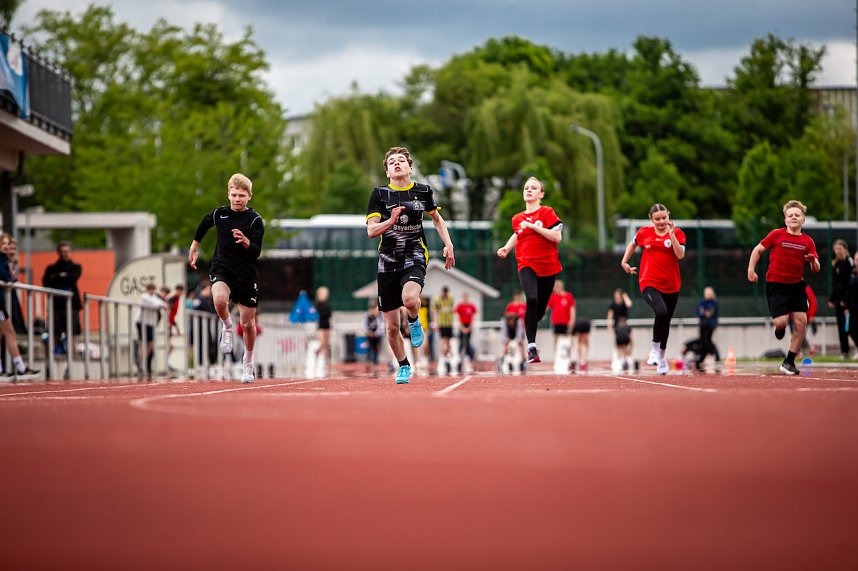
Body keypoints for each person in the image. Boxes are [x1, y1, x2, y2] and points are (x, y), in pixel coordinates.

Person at [365, 146, 455, 385]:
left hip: (414, 255)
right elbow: (371, 230)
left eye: (401, 161)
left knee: (411, 300)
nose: (397, 164)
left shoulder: (423, 191)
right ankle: (404, 365)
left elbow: (437, 219)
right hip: (388, 261)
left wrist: (448, 244)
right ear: (387, 171)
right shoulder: (379, 194)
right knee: (392, 327)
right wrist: (391, 220)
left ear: (410, 167)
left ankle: (414, 321)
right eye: (392, 162)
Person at [188, 173, 264, 384]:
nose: (237, 199)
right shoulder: (219, 214)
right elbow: (204, 222)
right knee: (219, 300)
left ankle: (248, 362)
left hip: (246, 275)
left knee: (249, 324)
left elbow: (257, 250)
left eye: (241, 195)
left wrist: (246, 241)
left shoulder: (255, 220)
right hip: (222, 268)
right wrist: (195, 245)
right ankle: (227, 327)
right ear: (228, 194)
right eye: (233, 194)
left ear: (249, 196)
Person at [747, 199, 821, 375]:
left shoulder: (808, 241)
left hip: (796, 286)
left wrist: (812, 261)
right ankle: (780, 328)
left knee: (801, 322)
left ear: (803, 219)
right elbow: (757, 250)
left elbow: (816, 267)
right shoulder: (776, 235)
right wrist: (751, 270)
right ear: (785, 220)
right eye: (790, 215)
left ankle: (788, 361)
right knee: (781, 322)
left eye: (797, 215)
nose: (794, 217)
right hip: (776, 285)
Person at [497, 177, 563, 364]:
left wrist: (533, 226)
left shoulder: (547, 212)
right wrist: (506, 248)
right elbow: (517, 234)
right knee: (531, 299)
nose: (529, 190)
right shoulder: (517, 218)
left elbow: (557, 237)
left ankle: (534, 320)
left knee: (539, 311)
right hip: (526, 263)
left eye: (534, 188)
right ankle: (532, 347)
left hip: (548, 267)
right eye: (526, 187)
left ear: (541, 194)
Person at [620, 203, 686, 375]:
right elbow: (632, 243)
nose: (661, 221)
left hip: (671, 285)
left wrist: (672, 237)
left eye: (664, 218)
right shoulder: (644, 233)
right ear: (651, 220)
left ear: (668, 216)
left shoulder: (677, 233)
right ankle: (654, 350)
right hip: (649, 282)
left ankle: (661, 357)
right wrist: (624, 262)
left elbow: (680, 255)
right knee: (661, 312)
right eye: (657, 219)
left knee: (666, 321)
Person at [0, 234, 38, 380]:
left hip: (2, 299)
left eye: (9, 244)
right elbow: (6, 277)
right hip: (0, 301)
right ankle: (20, 367)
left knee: (5, 333)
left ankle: (6, 368)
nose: (8, 247)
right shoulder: (1, 260)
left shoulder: (5, 260)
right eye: (4, 244)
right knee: (10, 333)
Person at [41, 241, 83, 354]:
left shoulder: (76, 267)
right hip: (55, 305)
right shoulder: (51, 268)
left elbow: (72, 278)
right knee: (54, 332)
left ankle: (73, 357)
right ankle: (53, 354)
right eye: (62, 252)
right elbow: (46, 282)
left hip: (71, 305)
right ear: (58, 252)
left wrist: (58, 277)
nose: (65, 254)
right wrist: (62, 276)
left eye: (67, 251)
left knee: (72, 333)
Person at [134, 282, 166, 379]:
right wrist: (162, 304)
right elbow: (156, 304)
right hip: (142, 322)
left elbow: (161, 303)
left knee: (150, 345)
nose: (152, 291)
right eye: (151, 289)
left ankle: (143, 363)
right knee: (144, 343)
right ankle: (140, 362)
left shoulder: (154, 297)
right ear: (148, 290)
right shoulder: (145, 297)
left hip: (150, 323)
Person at [828, 239, 854, 359]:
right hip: (839, 301)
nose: (838, 251)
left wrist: (846, 299)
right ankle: (845, 352)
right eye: (836, 249)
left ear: (845, 249)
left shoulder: (849, 263)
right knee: (841, 327)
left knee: (851, 326)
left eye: (840, 249)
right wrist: (832, 299)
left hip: (849, 300)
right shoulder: (836, 264)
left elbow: (849, 283)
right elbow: (836, 284)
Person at [694, 286, 720, 370]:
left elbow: (712, 312)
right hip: (703, 325)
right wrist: (704, 314)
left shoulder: (714, 303)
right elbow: (699, 311)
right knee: (703, 341)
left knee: (708, 340)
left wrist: (707, 314)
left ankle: (713, 354)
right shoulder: (702, 302)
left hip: (710, 325)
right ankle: (702, 358)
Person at [454, 292, 477, 368]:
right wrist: (462, 327)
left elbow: (473, 317)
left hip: (469, 326)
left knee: (467, 343)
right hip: (462, 326)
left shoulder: (471, 306)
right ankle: (460, 358)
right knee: (461, 343)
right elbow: (457, 317)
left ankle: (469, 358)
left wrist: (469, 327)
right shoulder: (460, 306)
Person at [433, 287, 455, 362]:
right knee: (444, 341)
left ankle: (446, 356)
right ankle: (443, 357)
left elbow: (453, 309)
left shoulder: (450, 299)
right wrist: (435, 323)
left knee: (448, 341)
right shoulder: (438, 299)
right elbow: (434, 311)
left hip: (449, 323)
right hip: (442, 323)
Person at [362, 300, 385, 370]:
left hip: (377, 336)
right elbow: (364, 325)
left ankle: (375, 362)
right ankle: (369, 362)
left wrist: (375, 333)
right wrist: (369, 332)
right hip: (370, 335)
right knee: (369, 349)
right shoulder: (367, 316)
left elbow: (380, 326)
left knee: (376, 349)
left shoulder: (379, 316)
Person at [314, 286, 332, 363]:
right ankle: (316, 353)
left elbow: (329, 314)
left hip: (327, 324)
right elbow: (318, 314)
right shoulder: (317, 305)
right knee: (322, 342)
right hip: (320, 325)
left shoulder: (328, 305)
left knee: (326, 343)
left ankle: (326, 359)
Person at [845, 251, 858, 354]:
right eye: (856, 259)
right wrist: (847, 307)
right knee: (851, 330)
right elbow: (848, 291)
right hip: (853, 307)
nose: (856, 261)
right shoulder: (852, 274)